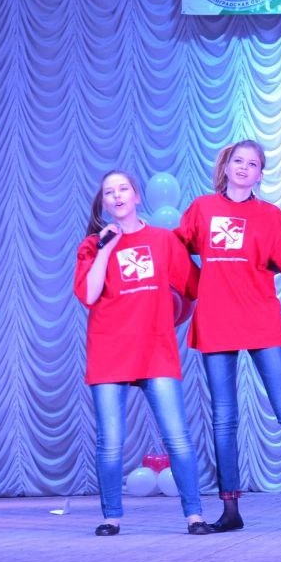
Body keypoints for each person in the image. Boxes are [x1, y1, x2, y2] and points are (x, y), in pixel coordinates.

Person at [176, 140, 281, 533]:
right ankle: (230, 509)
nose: (244, 168)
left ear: (261, 174)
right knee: (224, 417)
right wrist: (199, 286)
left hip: (261, 319)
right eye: (238, 161)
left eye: (253, 164)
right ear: (226, 166)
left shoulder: (269, 216)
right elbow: (175, 251)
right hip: (217, 321)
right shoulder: (202, 209)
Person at [74, 170, 212, 536]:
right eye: (109, 192)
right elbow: (88, 294)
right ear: (104, 203)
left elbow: (195, 286)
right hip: (109, 350)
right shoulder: (92, 245)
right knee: (110, 442)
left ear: (137, 196)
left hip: (155, 348)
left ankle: (194, 515)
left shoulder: (162, 240)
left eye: (124, 189)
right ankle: (111, 516)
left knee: (177, 437)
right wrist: (106, 248)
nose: (117, 196)